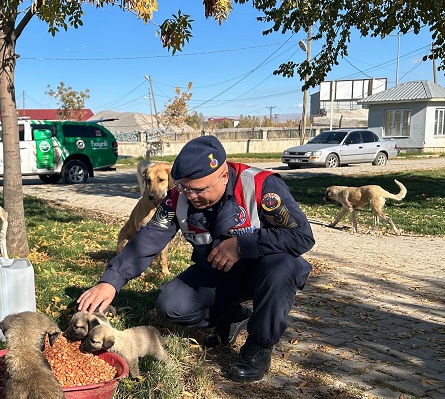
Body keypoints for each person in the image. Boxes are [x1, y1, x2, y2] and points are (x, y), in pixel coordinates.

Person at [78, 135, 314, 382]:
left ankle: (259, 347)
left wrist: (243, 245)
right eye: (184, 188)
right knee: (170, 305)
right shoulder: (179, 195)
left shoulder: (260, 186)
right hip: (218, 273)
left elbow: (301, 236)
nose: (190, 197)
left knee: (282, 266)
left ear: (223, 175)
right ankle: (232, 316)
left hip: (264, 275)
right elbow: (149, 238)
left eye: (198, 190)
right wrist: (111, 281)